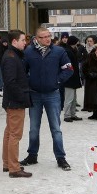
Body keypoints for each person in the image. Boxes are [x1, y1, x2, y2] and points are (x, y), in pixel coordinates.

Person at [21, 26, 74, 171]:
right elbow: (22, 71)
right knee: (33, 128)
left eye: (49, 36)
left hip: (53, 94)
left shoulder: (59, 51)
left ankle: (60, 158)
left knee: (56, 128)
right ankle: (32, 155)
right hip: (35, 94)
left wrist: (56, 81)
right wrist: (29, 82)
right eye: (44, 37)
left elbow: (69, 69)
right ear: (36, 38)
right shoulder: (29, 52)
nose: (47, 39)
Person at [1, 30, 32, 178]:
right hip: (15, 102)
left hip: (14, 101)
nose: (25, 42)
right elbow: (10, 82)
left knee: (9, 133)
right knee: (15, 135)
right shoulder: (11, 58)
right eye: (22, 40)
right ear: (14, 42)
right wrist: (22, 97)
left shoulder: (14, 56)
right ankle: (14, 168)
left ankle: (8, 163)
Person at [61, 36, 83, 122]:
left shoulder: (72, 50)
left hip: (73, 77)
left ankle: (73, 114)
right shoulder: (68, 51)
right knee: (69, 98)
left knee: (73, 98)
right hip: (70, 78)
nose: (78, 44)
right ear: (74, 42)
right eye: (77, 42)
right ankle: (67, 115)